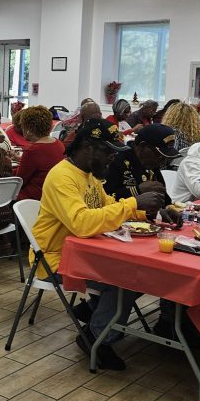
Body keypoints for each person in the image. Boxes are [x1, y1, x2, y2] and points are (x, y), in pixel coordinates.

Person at [33, 118, 165, 370]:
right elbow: (82, 223)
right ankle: (97, 338)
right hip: (56, 259)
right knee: (125, 279)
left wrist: (147, 213)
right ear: (86, 146)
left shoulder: (89, 175)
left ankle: (94, 311)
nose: (111, 159)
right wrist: (134, 203)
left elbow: (109, 206)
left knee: (143, 274)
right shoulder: (62, 176)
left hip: (86, 254)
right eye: (107, 152)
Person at [103, 124, 178, 202]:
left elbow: (164, 199)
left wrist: (168, 208)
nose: (162, 161)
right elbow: (105, 198)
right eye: (159, 155)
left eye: (166, 157)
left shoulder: (152, 164)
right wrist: (137, 190)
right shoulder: (116, 162)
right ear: (142, 146)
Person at [15, 105, 64, 201]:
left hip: (33, 199)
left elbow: (20, 181)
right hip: (53, 196)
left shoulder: (33, 150)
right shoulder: (58, 143)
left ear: (28, 130)